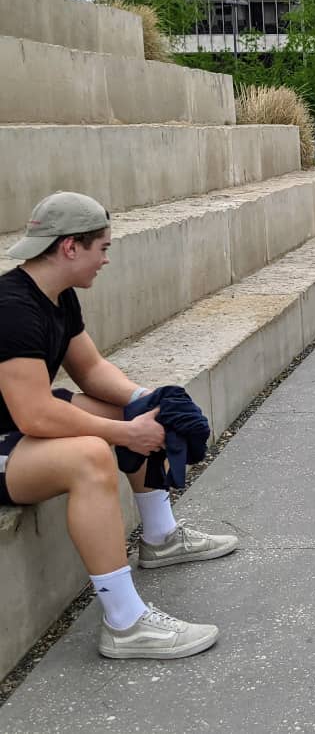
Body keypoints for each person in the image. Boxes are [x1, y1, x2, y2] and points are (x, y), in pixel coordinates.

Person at [0, 192, 237, 660]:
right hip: (9, 435)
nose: (107, 259)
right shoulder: (11, 309)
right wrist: (124, 435)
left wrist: (144, 402)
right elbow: (36, 414)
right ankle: (125, 623)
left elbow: (89, 371)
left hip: (14, 427)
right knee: (90, 455)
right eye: (102, 248)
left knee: (143, 411)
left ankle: (160, 537)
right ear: (70, 247)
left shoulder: (56, 295)